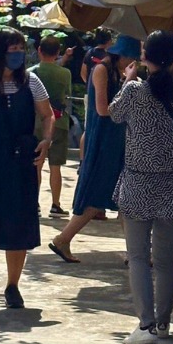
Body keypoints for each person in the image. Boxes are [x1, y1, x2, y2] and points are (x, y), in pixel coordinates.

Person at [110, 30, 173, 344]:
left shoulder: (133, 91)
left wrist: (127, 79)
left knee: (137, 257)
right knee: (164, 260)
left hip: (138, 181)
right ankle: (162, 323)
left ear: (144, 57)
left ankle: (144, 325)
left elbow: (113, 114)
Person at [0, 28, 53, 313]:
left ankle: (13, 285)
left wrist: (47, 139)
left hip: (21, 161)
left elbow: (47, 113)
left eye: (20, 49)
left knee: (19, 224)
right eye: (12, 49)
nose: (17, 55)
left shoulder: (32, 81)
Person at [49, 36, 138, 262]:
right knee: (101, 194)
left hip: (116, 139)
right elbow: (103, 109)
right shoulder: (102, 70)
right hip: (103, 139)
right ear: (123, 55)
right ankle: (63, 239)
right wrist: (128, 84)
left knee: (122, 196)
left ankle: (134, 252)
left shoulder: (116, 72)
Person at [31, 36, 73, 216]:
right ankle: (56, 204)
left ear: (39, 50)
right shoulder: (65, 73)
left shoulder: (30, 73)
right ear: (57, 53)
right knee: (56, 166)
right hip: (59, 122)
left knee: (36, 165)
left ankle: (34, 203)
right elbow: (67, 94)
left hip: (34, 122)